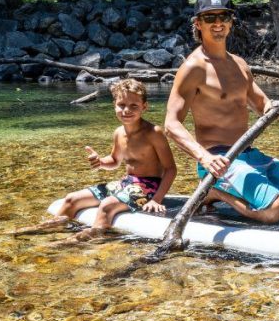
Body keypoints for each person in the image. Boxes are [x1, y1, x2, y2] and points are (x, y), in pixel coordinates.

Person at [164, 0, 279, 223]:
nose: (217, 23)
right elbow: (171, 124)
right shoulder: (193, 68)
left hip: (250, 155)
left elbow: (265, 109)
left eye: (224, 16)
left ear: (231, 22)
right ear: (198, 24)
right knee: (277, 210)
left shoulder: (240, 64)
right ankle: (214, 192)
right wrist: (205, 158)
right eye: (209, 18)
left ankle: (243, 192)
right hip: (219, 160)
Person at [13, 79, 177, 241]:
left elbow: (170, 169)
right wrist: (101, 162)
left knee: (107, 205)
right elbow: (114, 160)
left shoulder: (153, 133)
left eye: (134, 106)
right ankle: (54, 226)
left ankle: (90, 236)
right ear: (114, 105)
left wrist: (156, 199)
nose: (126, 110)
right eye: (121, 105)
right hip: (126, 182)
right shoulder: (119, 132)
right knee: (71, 199)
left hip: (149, 185)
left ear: (144, 107)